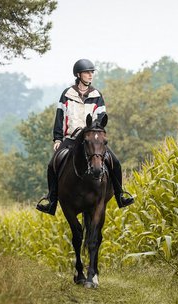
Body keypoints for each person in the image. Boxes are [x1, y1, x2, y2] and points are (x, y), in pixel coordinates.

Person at [36, 59, 134, 215]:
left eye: (92, 72)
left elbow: (101, 118)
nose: (91, 75)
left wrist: (94, 132)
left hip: (92, 139)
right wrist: (57, 139)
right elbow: (60, 117)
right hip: (71, 139)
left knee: (115, 162)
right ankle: (51, 201)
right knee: (51, 165)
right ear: (78, 75)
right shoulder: (67, 94)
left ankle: (120, 195)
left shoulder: (97, 95)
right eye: (87, 72)